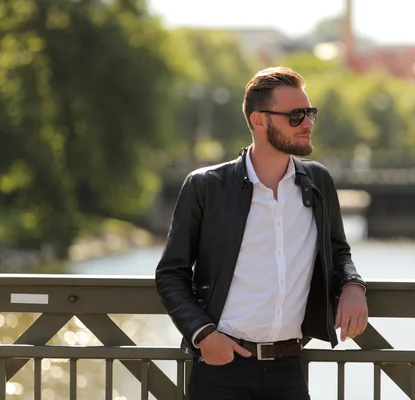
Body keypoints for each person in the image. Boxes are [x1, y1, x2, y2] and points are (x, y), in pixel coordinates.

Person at [155, 66, 369, 400]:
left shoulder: (318, 182)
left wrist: (353, 285)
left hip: (288, 369)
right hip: (220, 368)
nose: (309, 124)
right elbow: (171, 273)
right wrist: (203, 335)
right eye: (296, 116)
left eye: (310, 113)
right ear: (259, 120)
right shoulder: (206, 186)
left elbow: (338, 252)